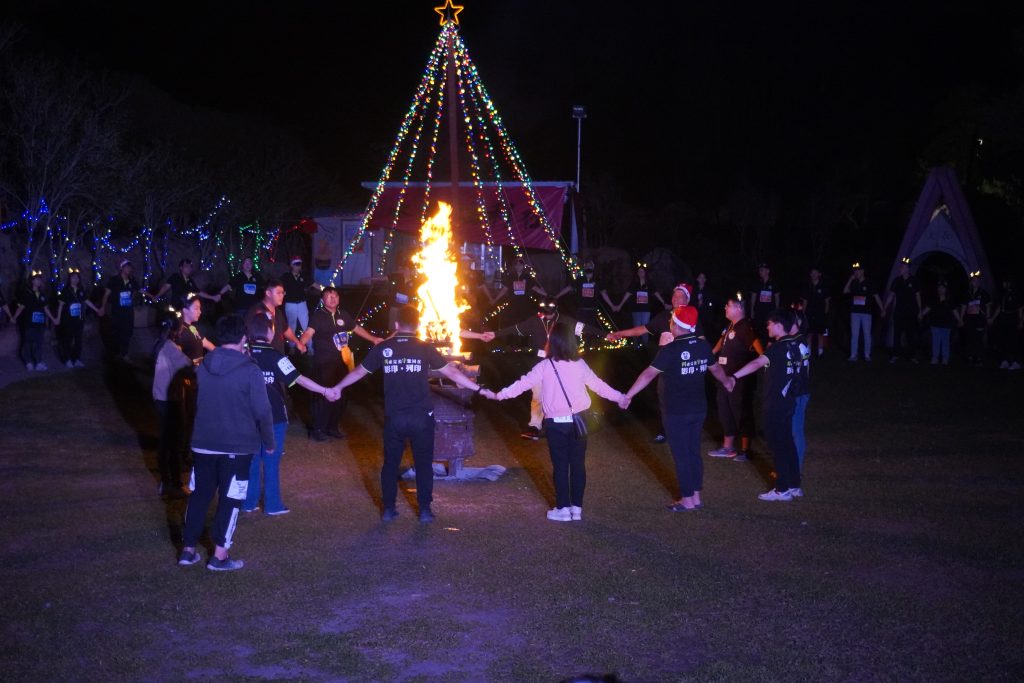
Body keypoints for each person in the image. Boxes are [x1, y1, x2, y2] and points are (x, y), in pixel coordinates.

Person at [332, 305, 484, 523]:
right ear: (418, 325)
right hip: (422, 417)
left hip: (395, 417)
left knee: (390, 464)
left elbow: (358, 372)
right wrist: (480, 389)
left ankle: (388, 509)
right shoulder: (424, 347)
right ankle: (424, 510)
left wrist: (337, 388)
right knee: (424, 464)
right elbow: (451, 372)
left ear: (396, 325)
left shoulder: (384, 348)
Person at [484, 322, 627, 521]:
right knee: (577, 465)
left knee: (561, 466)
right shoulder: (579, 364)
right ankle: (576, 509)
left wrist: (499, 395)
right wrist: (620, 397)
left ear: (553, 341)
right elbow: (599, 386)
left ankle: (562, 509)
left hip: (556, 424)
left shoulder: (544, 366)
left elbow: (522, 384)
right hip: (579, 421)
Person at [178, 315, 275, 571]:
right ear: (244, 338)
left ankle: (188, 550)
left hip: (203, 444)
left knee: (199, 496)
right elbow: (263, 411)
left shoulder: (202, 366)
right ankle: (219, 556)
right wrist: (269, 440)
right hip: (237, 447)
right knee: (231, 499)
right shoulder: (249, 369)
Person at [622, 306, 730, 511]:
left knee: (681, 454)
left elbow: (647, 374)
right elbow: (715, 369)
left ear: (676, 324)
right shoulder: (702, 345)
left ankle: (687, 499)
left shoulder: (670, 350)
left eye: (672, 320)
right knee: (693, 451)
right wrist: (727, 382)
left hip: (676, 411)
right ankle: (696, 496)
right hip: (698, 409)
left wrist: (628, 395)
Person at [244, 314, 340, 515]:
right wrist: (325, 390)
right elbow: (299, 379)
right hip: (274, 417)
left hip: (247, 417)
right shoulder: (276, 357)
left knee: (250, 461)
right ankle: (273, 505)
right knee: (271, 462)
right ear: (270, 332)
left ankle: (248, 502)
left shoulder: (243, 354)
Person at [492, 297, 608, 440]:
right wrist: (494, 334)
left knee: (563, 393)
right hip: (540, 364)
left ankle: (570, 421)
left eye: (549, 313)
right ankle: (535, 426)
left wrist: (606, 335)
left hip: (561, 363)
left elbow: (584, 328)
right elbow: (514, 329)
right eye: (544, 313)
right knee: (537, 395)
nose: (547, 316)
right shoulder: (534, 321)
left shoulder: (565, 320)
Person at [726, 310, 804, 501]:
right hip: (788, 403)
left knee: (778, 445)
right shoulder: (795, 345)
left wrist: (734, 376)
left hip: (775, 404)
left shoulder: (777, 348)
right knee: (787, 444)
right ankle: (794, 485)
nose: (767, 327)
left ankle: (781, 489)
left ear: (779, 325)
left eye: (769, 323)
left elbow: (757, 363)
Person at [298, 286, 382, 441]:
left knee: (341, 395)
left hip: (343, 363)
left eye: (335, 295)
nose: (333, 298)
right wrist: (302, 343)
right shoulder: (318, 316)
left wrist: (374, 339)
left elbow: (356, 328)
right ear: (323, 300)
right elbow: (308, 332)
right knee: (322, 395)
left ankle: (332, 427)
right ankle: (318, 429)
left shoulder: (344, 315)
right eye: (329, 296)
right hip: (324, 363)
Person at [707, 295, 763, 462]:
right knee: (725, 410)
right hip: (724, 378)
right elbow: (721, 341)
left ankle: (746, 450)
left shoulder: (745, 327)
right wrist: (709, 356)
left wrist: (765, 359)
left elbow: (757, 345)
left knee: (741, 411)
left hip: (739, 380)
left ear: (739, 309)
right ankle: (728, 447)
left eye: (728, 305)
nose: (725, 308)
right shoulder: (731, 326)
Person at [152, 315, 191, 499]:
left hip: (159, 398)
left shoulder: (159, 344)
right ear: (176, 330)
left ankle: (165, 481)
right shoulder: (171, 347)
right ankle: (175, 483)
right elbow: (188, 365)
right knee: (175, 443)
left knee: (165, 442)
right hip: (171, 400)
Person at [55, 267, 101, 368]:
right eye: (73, 277)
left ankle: (76, 359)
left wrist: (96, 309)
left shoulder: (81, 290)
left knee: (78, 340)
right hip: (68, 320)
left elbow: (86, 301)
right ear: (69, 279)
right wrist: (58, 318)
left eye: (77, 277)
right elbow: (61, 305)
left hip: (79, 320)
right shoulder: (66, 291)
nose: (75, 279)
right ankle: (67, 359)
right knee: (68, 340)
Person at [13, 270, 58, 370]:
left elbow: (46, 309)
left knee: (38, 343)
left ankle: (38, 362)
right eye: (37, 279)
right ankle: (28, 362)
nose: (39, 282)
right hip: (29, 323)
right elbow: (21, 308)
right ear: (32, 281)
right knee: (28, 342)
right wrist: (14, 317)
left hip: (40, 324)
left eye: (40, 280)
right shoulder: (26, 293)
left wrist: (53, 319)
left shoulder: (42, 295)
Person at [246, 279, 306, 355]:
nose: (282, 296)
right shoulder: (256, 312)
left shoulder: (278, 312)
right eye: (278, 293)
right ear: (268, 293)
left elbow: (285, 329)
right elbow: (249, 336)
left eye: (283, 293)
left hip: (278, 355)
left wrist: (297, 342)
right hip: (263, 357)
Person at [616, 261, 666, 345]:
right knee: (636, 328)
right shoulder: (634, 283)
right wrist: (620, 305)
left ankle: (645, 347)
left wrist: (664, 302)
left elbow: (656, 293)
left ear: (645, 273)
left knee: (645, 328)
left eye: (642, 271)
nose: (640, 273)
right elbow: (627, 294)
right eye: (639, 271)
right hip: (636, 310)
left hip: (646, 310)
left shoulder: (649, 283)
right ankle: (635, 347)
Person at [101, 259, 141, 360]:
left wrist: (152, 296)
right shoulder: (114, 280)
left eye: (130, 267)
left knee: (128, 332)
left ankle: (124, 353)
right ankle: (113, 353)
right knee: (116, 332)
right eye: (126, 267)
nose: (128, 269)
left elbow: (139, 290)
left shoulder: (132, 280)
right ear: (121, 268)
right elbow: (106, 294)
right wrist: (102, 307)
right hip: (117, 311)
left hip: (128, 311)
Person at [884, 258, 923, 363]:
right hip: (899, 312)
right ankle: (895, 355)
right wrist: (885, 308)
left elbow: (918, 296)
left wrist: (920, 311)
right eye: (901, 266)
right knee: (897, 335)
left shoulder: (914, 281)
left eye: (903, 266)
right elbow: (891, 295)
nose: (901, 268)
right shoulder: (896, 281)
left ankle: (912, 356)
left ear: (908, 268)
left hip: (911, 313)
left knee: (911, 335)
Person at [843, 262, 884, 362]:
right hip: (855, 312)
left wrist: (882, 309)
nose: (855, 272)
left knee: (867, 334)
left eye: (857, 270)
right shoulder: (854, 282)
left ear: (862, 271)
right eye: (854, 270)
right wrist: (850, 279)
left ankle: (867, 355)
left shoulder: (869, 283)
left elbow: (876, 297)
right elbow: (845, 291)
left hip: (866, 313)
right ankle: (853, 355)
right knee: (854, 334)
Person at [149, 258, 225, 310]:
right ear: (181, 267)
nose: (189, 268)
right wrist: (157, 296)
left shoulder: (190, 281)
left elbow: (198, 292)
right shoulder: (175, 277)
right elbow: (166, 286)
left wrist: (212, 297)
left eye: (190, 267)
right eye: (186, 266)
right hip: (175, 307)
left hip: (186, 309)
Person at [492, 256, 547, 325]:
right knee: (513, 320)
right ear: (514, 266)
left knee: (524, 320)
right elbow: (504, 289)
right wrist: (496, 299)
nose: (518, 266)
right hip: (513, 302)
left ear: (523, 266)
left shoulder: (527, 277)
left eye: (520, 265)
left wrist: (547, 295)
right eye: (516, 265)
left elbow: (535, 288)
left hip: (524, 302)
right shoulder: (511, 277)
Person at [919, 281, 960, 365]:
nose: (941, 289)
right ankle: (935, 358)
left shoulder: (949, 299)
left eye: (943, 288)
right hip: (935, 324)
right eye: (939, 287)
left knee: (945, 342)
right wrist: (921, 314)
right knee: (935, 341)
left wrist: (959, 319)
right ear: (937, 289)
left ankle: (945, 358)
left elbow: (954, 310)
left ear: (946, 289)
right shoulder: (933, 299)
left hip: (946, 324)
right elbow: (928, 308)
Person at [281, 256, 313, 348]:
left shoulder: (304, 276)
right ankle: (292, 347)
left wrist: (326, 289)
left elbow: (314, 284)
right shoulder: (286, 276)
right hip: (290, 304)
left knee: (306, 326)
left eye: (299, 264)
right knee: (291, 326)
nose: (298, 266)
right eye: (296, 264)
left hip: (302, 304)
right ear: (292, 265)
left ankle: (310, 347)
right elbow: (278, 285)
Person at [960, 271, 991, 366]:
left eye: (977, 281)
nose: (975, 282)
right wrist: (961, 318)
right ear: (971, 282)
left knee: (978, 338)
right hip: (969, 319)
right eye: (973, 281)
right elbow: (964, 306)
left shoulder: (983, 293)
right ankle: (970, 356)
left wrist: (988, 317)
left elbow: (988, 306)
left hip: (980, 319)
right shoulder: (967, 293)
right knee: (970, 337)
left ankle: (978, 358)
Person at [991, 277, 1022, 370]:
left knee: (1013, 341)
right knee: (1003, 340)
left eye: (1005, 282)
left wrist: (1021, 321)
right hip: (1004, 319)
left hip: (1012, 319)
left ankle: (1016, 362)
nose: (1003, 284)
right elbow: (1000, 307)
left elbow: (1020, 308)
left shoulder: (1016, 294)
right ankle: (1005, 360)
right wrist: (993, 318)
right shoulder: (1003, 294)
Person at [800, 268, 831, 357]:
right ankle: (808, 353)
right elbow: (804, 301)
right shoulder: (807, 286)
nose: (813, 275)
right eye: (812, 273)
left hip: (820, 313)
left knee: (820, 333)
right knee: (809, 333)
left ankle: (820, 352)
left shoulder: (824, 286)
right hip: (809, 313)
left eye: (815, 273)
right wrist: (803, 314)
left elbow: (827, 302)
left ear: (819, 274)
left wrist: (825, 313)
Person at [749, 263, 780, 340]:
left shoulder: (774, 283)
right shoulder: (757, 283)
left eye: (762, 270)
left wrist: (776, 311)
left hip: (770, 312)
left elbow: (777, 298)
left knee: (769, 332)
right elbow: (753, 298)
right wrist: (752, 310)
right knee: (759, 331)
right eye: (760, 270)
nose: (760, 272)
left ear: (767, 271)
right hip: (759, 312)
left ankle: (769, 349)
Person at [693, 272, 718, 337]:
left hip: (706, 316)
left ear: (705, 279)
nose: (702, 279)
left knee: (706, 333)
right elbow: (691, 301)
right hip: (695, 315)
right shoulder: (694, 290)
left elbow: (712, 302)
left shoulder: (709, 290)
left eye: (703, 277)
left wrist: (706, 304)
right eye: (700, 277)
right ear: (697, 279)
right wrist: (697, 303)